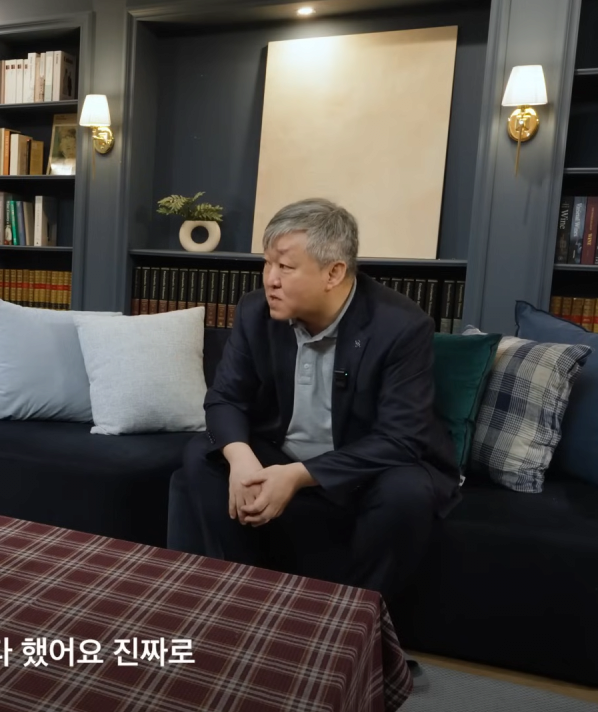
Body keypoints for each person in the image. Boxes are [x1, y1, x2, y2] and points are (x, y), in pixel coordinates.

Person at [167, 197, 461, 599]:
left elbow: (400, 438)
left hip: (364, 467)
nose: (270, 279)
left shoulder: (401, 326)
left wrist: (297, 475)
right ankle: (250, 597)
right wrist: (242, 460)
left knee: (407, 493)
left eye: (285, 267)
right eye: (267, 263)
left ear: (333, 273)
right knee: (204, 454)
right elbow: (225, 398)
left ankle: (352, 616)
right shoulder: (255, 312)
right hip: (282, 453)